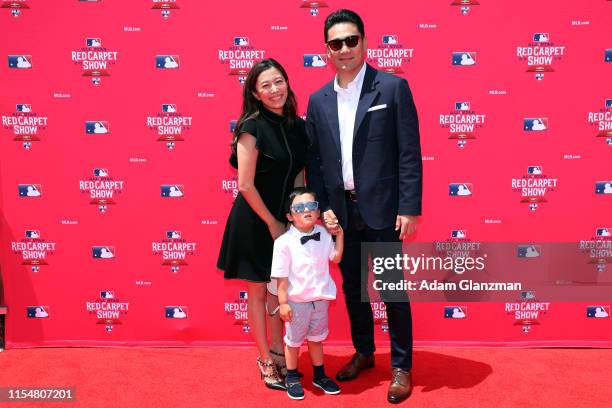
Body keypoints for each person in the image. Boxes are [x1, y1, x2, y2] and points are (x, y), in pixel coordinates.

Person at [305, 9, 422, 404]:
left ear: (365, 42)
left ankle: (402, 367)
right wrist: (323, 208)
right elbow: (317, 161)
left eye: (351, 40)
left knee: (391, 289)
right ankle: (365, 352)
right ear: (326, 50)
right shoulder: (318, 100)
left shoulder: (391, 88)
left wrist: (409, 207)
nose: (344, 49)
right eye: (336, 43)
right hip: (342, 213)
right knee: (354, 289)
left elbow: (409, 153)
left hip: (384, 211)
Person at [217, 59, 308, 391]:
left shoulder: (297, 126)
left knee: (277, 293)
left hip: (285, 222)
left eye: (279, 81)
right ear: (254, 93)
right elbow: (245, 184)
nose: (275, 90)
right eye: (266, 85)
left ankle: (277, 350)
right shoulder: (251, 127)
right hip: (255, 220)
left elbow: (299, 175)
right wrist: (271, 222)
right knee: (258, 291)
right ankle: (266, 360)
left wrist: (297, 216)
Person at [271, 188, 343, 400]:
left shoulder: (323, 234)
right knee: (293, 342)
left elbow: (336, 258)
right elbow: (281, 279)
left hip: (320, 300)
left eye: (311, 206)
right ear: (289, 215)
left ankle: (319, 375)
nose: (306, 211)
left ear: (318, 211)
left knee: (316, 339)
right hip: (297, 303)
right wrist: (283, 304)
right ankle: (292, 376)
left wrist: (340, 235)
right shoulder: (283, 243)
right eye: (299, 208)